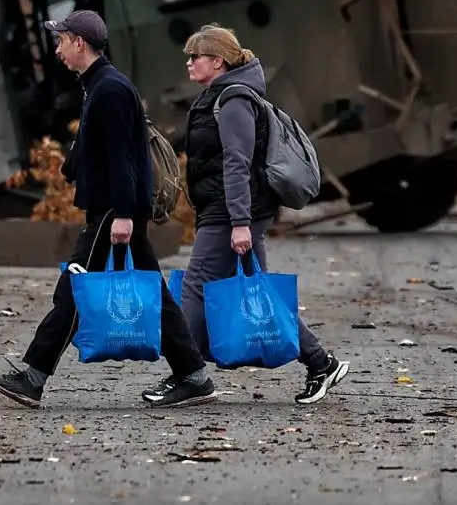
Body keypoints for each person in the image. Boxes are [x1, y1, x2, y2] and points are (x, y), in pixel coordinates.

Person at [0, 9, 218, 410]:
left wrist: (125, 214)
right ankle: (193, 376)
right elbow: (103, 146)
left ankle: (33, 377)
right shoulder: (100, 85)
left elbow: (123, 157)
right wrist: (74, 164)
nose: (57, 50)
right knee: (153, 295)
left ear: (79, 43)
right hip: (115, 208)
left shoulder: (108, 89)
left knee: (74, 289)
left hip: (113, 211)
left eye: (61, 41)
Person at [143, 24, 350, 405]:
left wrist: (240, 223)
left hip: (233, 212)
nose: (189, 64)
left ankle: (188, 375)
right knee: (261, 290)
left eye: (196, 57)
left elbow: (237, 164)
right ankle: (321, 363)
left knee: (195, 285)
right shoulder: (217, 95)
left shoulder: (234, 100)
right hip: (228, 210)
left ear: (217, 61)